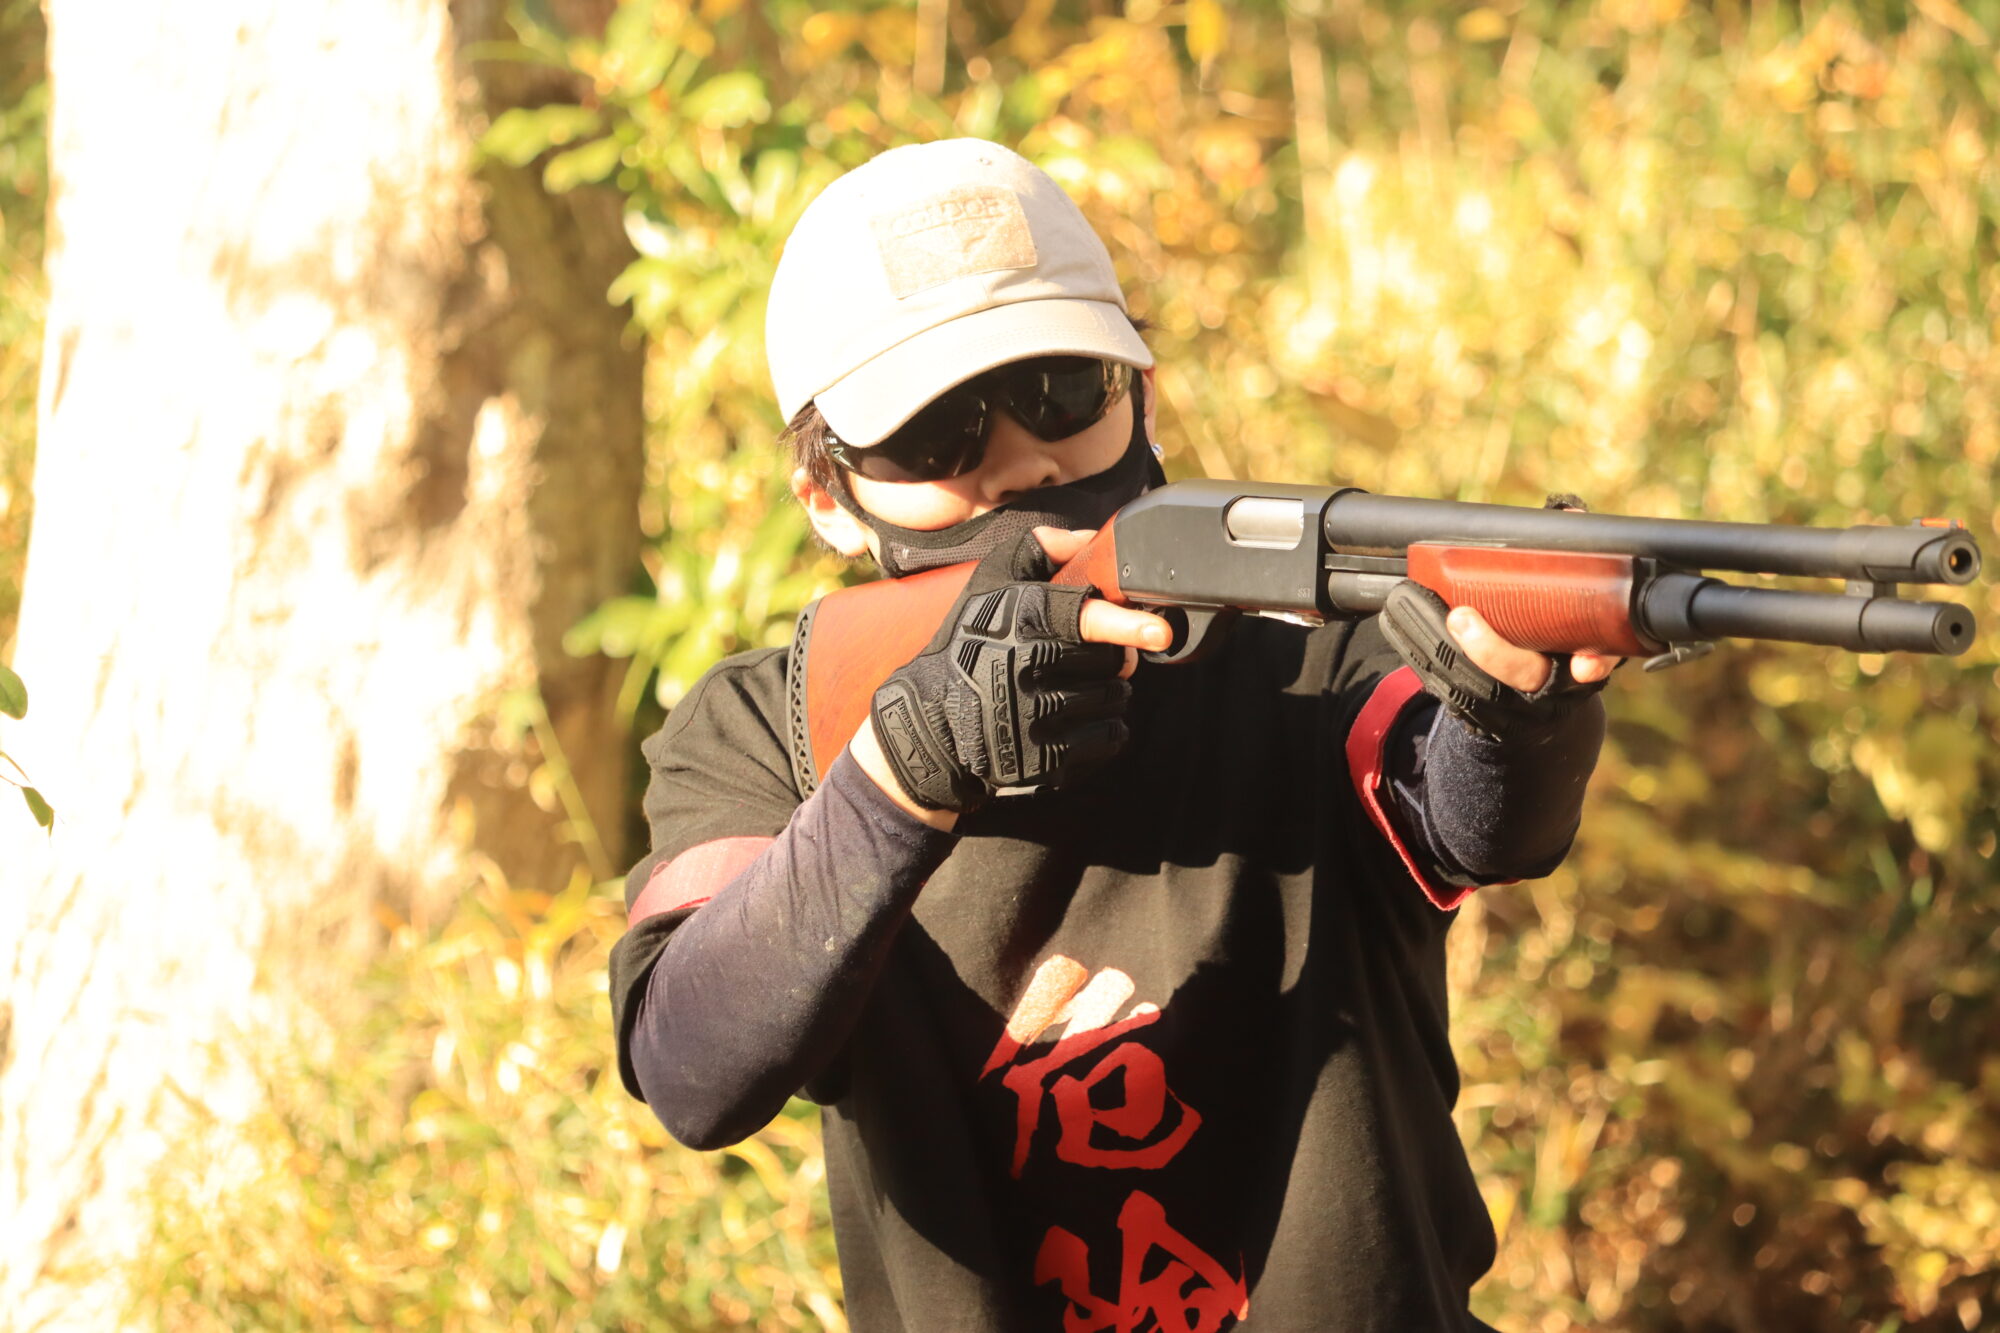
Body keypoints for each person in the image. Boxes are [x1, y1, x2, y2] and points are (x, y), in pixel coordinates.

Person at [608, 138, 1616, 1332]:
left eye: (1059, 389)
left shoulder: (1303, 648)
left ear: (1140, 392)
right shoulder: (765, 728)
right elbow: (690, 1068)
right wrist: (904, 772)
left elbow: (1463, 812)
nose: (1020, 461)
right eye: (935, 435)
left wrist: (1515, 709)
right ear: (828, 497)